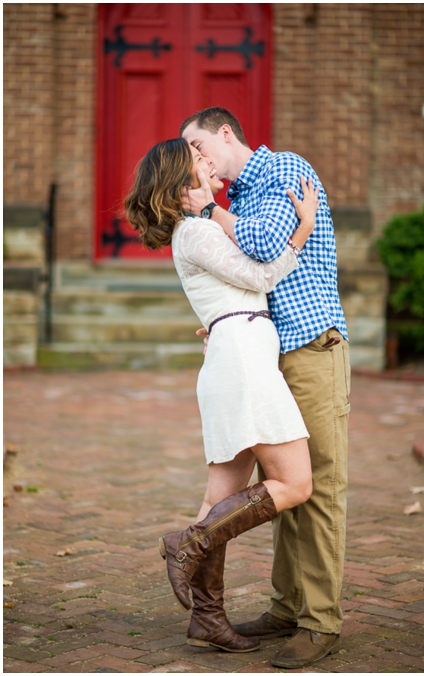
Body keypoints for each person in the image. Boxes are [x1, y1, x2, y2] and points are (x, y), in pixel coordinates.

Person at [124, 138, 320, 653]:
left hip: (237, 352)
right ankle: (187, 543)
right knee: (296, 484)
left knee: (217, 502)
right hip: (242, 362)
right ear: (181, 179)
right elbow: (257, 274)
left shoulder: (203, 229)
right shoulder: (195, 232)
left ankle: (208, 616)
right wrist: (303, 228)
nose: (210, 163)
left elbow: (237, 287)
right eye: (199, 160)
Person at [179, 107, 350, 669]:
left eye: (200, 146)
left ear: (226, 133)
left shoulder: (282, 170)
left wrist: (210, 208)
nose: (199, 160)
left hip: (312, 345)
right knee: (284, 481)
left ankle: (320, 622)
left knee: (317, 486)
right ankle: (286, 606)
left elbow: (262, 241)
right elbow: (249, 274)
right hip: (272, 351)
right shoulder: (241, 196)